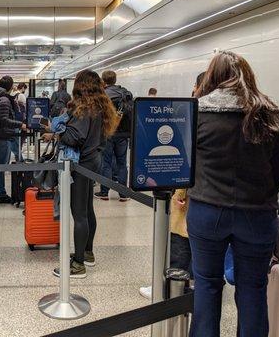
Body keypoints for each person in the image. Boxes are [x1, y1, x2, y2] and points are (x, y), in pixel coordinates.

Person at [187, 51, 279, 336]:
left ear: (212, 77)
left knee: (206, 285)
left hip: (207, 211)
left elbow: (187, 164)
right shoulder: (268, 112)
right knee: (253, 288)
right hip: (257, 214)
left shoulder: (196, 111)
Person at [140, 71, 206, 300]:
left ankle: (171, 287)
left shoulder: (194, 114)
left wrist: (180, 190)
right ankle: (199, 286)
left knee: (180, 240)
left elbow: (188, 159)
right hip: (218, 198)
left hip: (190, 192)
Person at [47, 70, 116, 278]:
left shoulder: (83, 108)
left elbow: (75, 137)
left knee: (79, 213)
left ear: (81, 85)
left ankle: (78, 265)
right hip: (93, 160)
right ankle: (87, 253)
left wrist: (59, 130)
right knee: (87, 208)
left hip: (80, 164)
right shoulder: (101, 106)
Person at [0, 75, 27, 204]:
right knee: (0, 166)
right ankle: (1, 194)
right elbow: (4, 120)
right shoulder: (4, 99)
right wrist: (19, 124)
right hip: (3, 136)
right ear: (10, 86)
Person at [95, 70, 132, 202]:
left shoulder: (102, 94)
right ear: (115, 80)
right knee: (122, 163)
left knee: (106, 163)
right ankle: (124, 194)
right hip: (123, 134)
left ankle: (104, 192)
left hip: (107, 133)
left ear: (103, 81)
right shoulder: (125, 93)